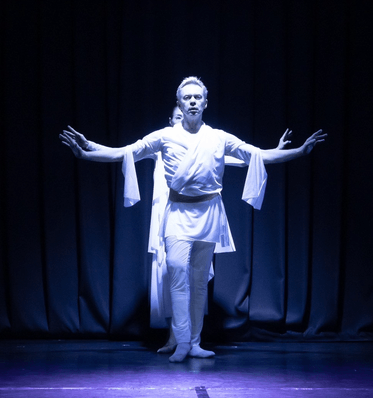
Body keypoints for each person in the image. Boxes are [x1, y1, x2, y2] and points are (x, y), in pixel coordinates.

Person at [60, 76, 326, 362]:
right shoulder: (164, 136)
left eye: (197, 97)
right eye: (187, 98)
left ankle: (195, 342)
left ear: (206, 102)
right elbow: (126, 152)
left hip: (208, 215)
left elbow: (257, 155)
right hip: (177, 214)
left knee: (199, 282)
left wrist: (299, 151)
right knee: (177, 273)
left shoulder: (218, 137)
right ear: (179, 103)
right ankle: (183, 342)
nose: (193, 102)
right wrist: (88, 149)